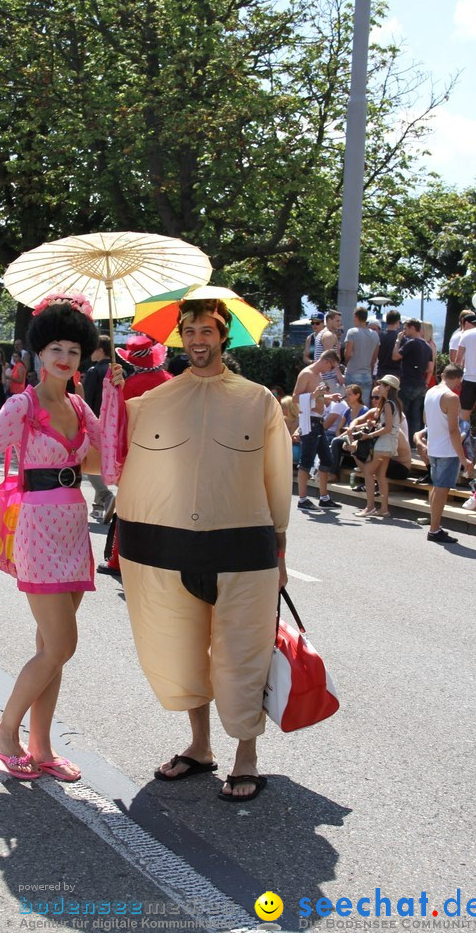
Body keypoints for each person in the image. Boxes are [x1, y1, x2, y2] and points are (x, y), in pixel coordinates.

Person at [101, 297, 291, 802]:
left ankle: (245, 756)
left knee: (241, 657)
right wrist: (112, 398)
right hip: (167, 550)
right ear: (178, 338)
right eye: (190, 330)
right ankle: (200, 747)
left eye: (208, 330)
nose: (199, 339)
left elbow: (277, 479)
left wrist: (281, 553)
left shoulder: (259, 400)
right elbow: (109, 451)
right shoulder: (152, 401)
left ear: (223, 336)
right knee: (181, 654)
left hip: (243, 551)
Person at [0, 293, 102, 781]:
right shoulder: (21, 405)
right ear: (38, 354)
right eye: (56, 349)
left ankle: (42, 747)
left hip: (74, 527)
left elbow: (104, 462)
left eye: (73, 349)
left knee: (52, 645)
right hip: (37, 530)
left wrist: (111, 400)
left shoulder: (78, 404)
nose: (65, 358)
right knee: (60, 646)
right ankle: (5, 731)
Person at [98, 335, 172, 578]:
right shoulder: (171, 382)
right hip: (167, 454)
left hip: (136, 453)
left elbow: (119, 423)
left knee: (128, 508)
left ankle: (118, 560)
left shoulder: (128, 385)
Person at [418, 363, 474, 545]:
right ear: (458, 379)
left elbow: (428, 421)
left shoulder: (431, 392)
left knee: (437, 488)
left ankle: (435, 527)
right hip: (446, 450)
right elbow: (453, 430)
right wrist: (463, 458)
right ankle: (434, 529)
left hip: (435, 447)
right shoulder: (451, 397)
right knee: (441, 490)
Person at [292, 349, 343, 510]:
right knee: (306, 460)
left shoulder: (318, 375)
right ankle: (302, 499)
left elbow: (317, 396)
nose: (331, 370)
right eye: (332, 366)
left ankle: (324, 497)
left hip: (318, 421)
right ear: (326, 361)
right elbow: (295, 397)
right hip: (310, 420)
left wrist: (329, 397)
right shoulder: (306, 374)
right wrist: (315, 394)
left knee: (327, 459)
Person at [353, 375, 402, 518]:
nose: (379, 387)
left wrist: (369, 435)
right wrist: (375, 425)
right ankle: (384, 508)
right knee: (381, 475)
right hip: (390, 444)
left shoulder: (387, 404)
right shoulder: (394, 403)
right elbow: (389, 426)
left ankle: (370, 507)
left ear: (388, 387)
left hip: (383, 444)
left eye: (381, 385)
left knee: (368, 472)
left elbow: (387, 428)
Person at [82, 334, 115, 523]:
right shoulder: (118, 370)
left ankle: (105, 495)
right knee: (102, 464)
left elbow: (87, 401)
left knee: (90, 466)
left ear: (100, 350)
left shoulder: (94, 371)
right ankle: (97, 508)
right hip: (113, 423)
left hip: (95, 423)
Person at [391, 318, 433, 444]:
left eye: (406, 328)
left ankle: (403, 441)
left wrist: (398, 341)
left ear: (413, 328)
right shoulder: (427, 346)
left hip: (407, 382)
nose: (404, 331)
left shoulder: (411, 343)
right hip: (420, 383)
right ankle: (414, 442)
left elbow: (395, 356)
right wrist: (425, 382)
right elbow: (430, 368)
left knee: (403, 413)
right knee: (415, 415)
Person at [456, 310, 476, 452]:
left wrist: (457, 378)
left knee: (463, 414)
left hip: (468, 378)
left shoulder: (467, 334)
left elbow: (458, 360)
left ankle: (460, 444)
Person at [343, 307, 380, 404]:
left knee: (350, 404)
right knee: (364, 405)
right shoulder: (375, 335)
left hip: (352, 372)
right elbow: (374, 358)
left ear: (355, 316)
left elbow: (348, 354)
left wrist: (346, 363)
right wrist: (370, 373)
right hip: (367, 374)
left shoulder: (352, 332)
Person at [376, 309, 402, 379]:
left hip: (381, 371)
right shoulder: (401, 338)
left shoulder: (379, 336)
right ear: (397, 322)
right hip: (395, 374)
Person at [420, 321, 438, 388]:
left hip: (427, 378)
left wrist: (427, 382)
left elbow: (431, 368)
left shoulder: (430, 345)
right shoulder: (424, 343)